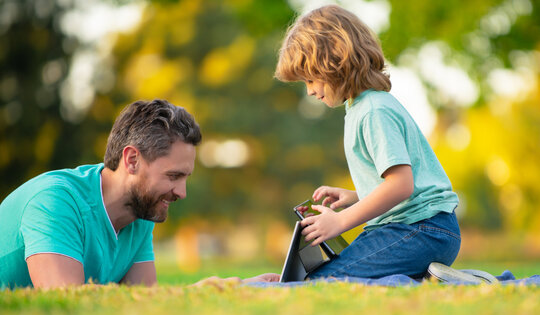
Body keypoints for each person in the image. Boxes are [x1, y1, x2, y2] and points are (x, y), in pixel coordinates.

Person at [0, 99, 279, 289]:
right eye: (173, 176)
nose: (181, 193)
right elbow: (67, 301)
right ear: (132, 160)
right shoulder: (55, 201)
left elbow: (143, 304)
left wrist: (229, 287)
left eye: (185, 178)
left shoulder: (140, 212)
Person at [274, 5, 461, 279]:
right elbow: (399, 181)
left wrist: (340, 221)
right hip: (415, 228)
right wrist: (355, 196)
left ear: (336, 63)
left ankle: (460, 284)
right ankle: (438, 281)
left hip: (421, 229)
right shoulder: (362, 107)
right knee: (320, 275)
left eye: (311, 79)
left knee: (325, 281)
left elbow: (402, 185)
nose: (310, 91)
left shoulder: (374, 111)